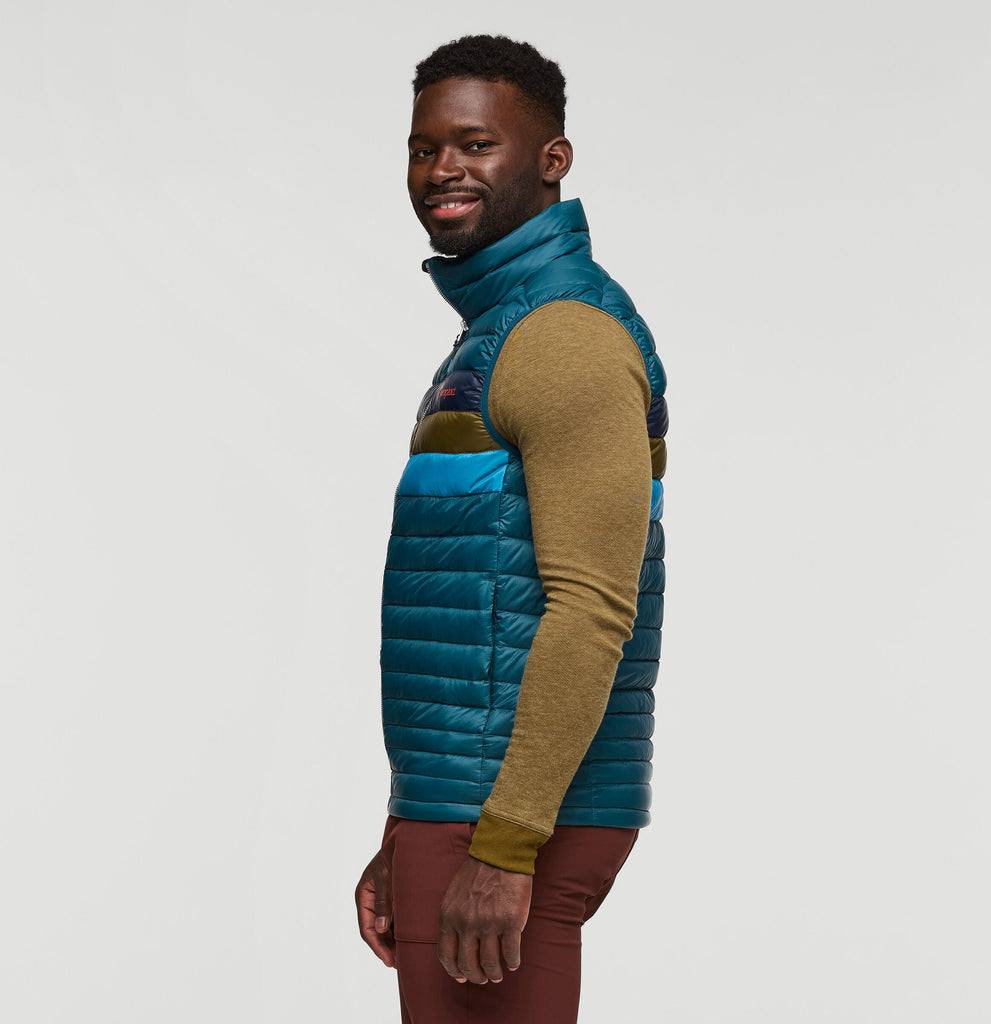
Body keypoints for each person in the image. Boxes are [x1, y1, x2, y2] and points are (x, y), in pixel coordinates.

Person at [355, 34, 668, 1023]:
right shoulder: (499, 332)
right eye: (424, 147)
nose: (442, 168)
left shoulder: (563, 335)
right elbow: (479, 599)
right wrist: (411, 820)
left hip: (512, 815)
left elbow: (592, 608)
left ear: (552, 158)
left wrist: (503, 840)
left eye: (476, 143)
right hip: (467, 802)